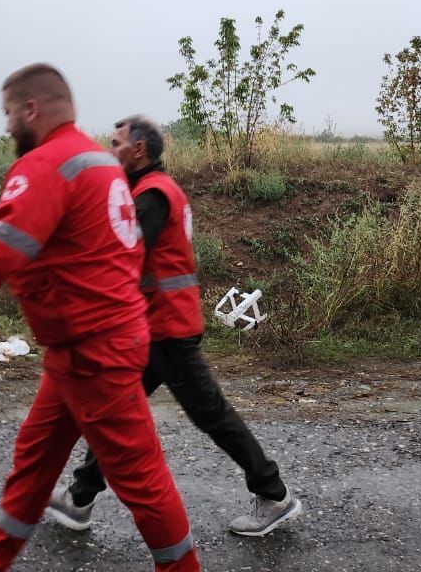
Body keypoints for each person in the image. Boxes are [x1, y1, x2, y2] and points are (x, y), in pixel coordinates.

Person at [0, 66, 200, 572]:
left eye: (9, 113)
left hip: (97, 351)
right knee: (36, 456)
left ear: (31, 109)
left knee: (141, 479)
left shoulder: (48, 164)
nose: (7, 125)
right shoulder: (100, 162)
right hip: (82, 346)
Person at [45, 114, 302, 538]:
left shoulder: (151, 196)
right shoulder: (155, 190)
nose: (110, 151)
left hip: (166, 330)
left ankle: (274, 494)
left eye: (115, 143)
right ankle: (80, 498)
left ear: (139, 149)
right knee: (112, 411)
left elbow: (120, 257)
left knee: (213, 417)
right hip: (154, 329)